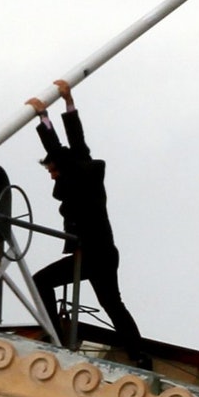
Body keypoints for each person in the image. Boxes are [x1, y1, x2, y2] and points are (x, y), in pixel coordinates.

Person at [27, 81, 144, 358]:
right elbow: (77, 144)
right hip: (100, 253)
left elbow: (62, 148)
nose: (52, 175)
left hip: (93, 254)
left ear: (62, 167)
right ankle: (139, 354)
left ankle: (55, 338)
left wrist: (43, 116)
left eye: (53, 170)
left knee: (40, 282)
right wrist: (68, 101)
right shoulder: (85, 174)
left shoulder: (79, 177)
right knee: (113, 305)